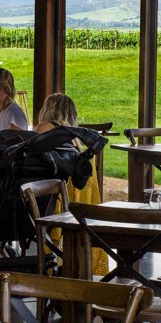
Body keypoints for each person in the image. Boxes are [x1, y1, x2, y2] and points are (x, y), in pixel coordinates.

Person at [35, 93, 108, 277]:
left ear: (47, 110)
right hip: (79, 204)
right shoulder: (76, 138)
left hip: (56, 200)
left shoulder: (45, 128)